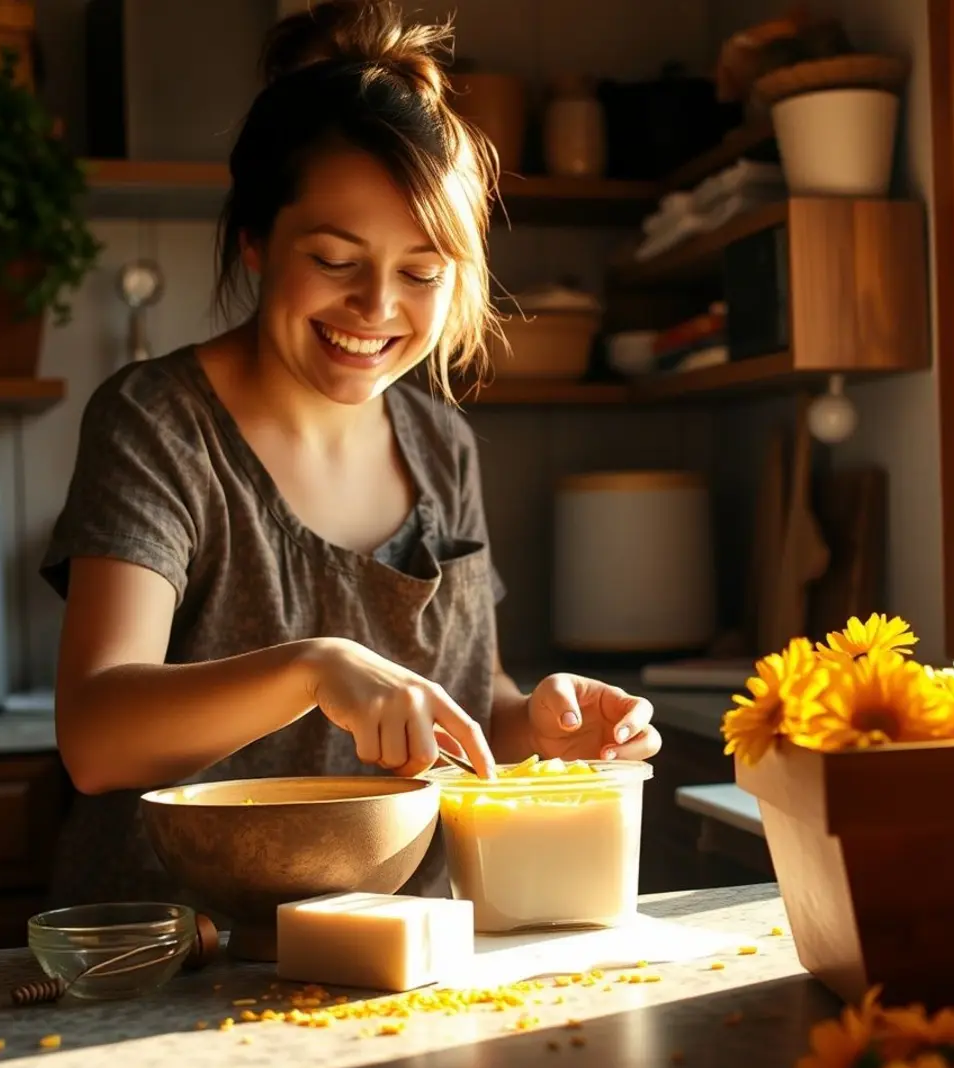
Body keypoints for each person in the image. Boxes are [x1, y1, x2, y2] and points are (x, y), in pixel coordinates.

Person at [38, 0, 661, 907]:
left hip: (402, 944)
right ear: (255, 239)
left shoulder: (442, 446)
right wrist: (311, 666)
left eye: (420, 273)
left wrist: (538, 723)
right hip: (176, 956)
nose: (376, 307)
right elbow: (97, 736)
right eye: (335, 259)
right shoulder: (159, 423)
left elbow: (465, 701)